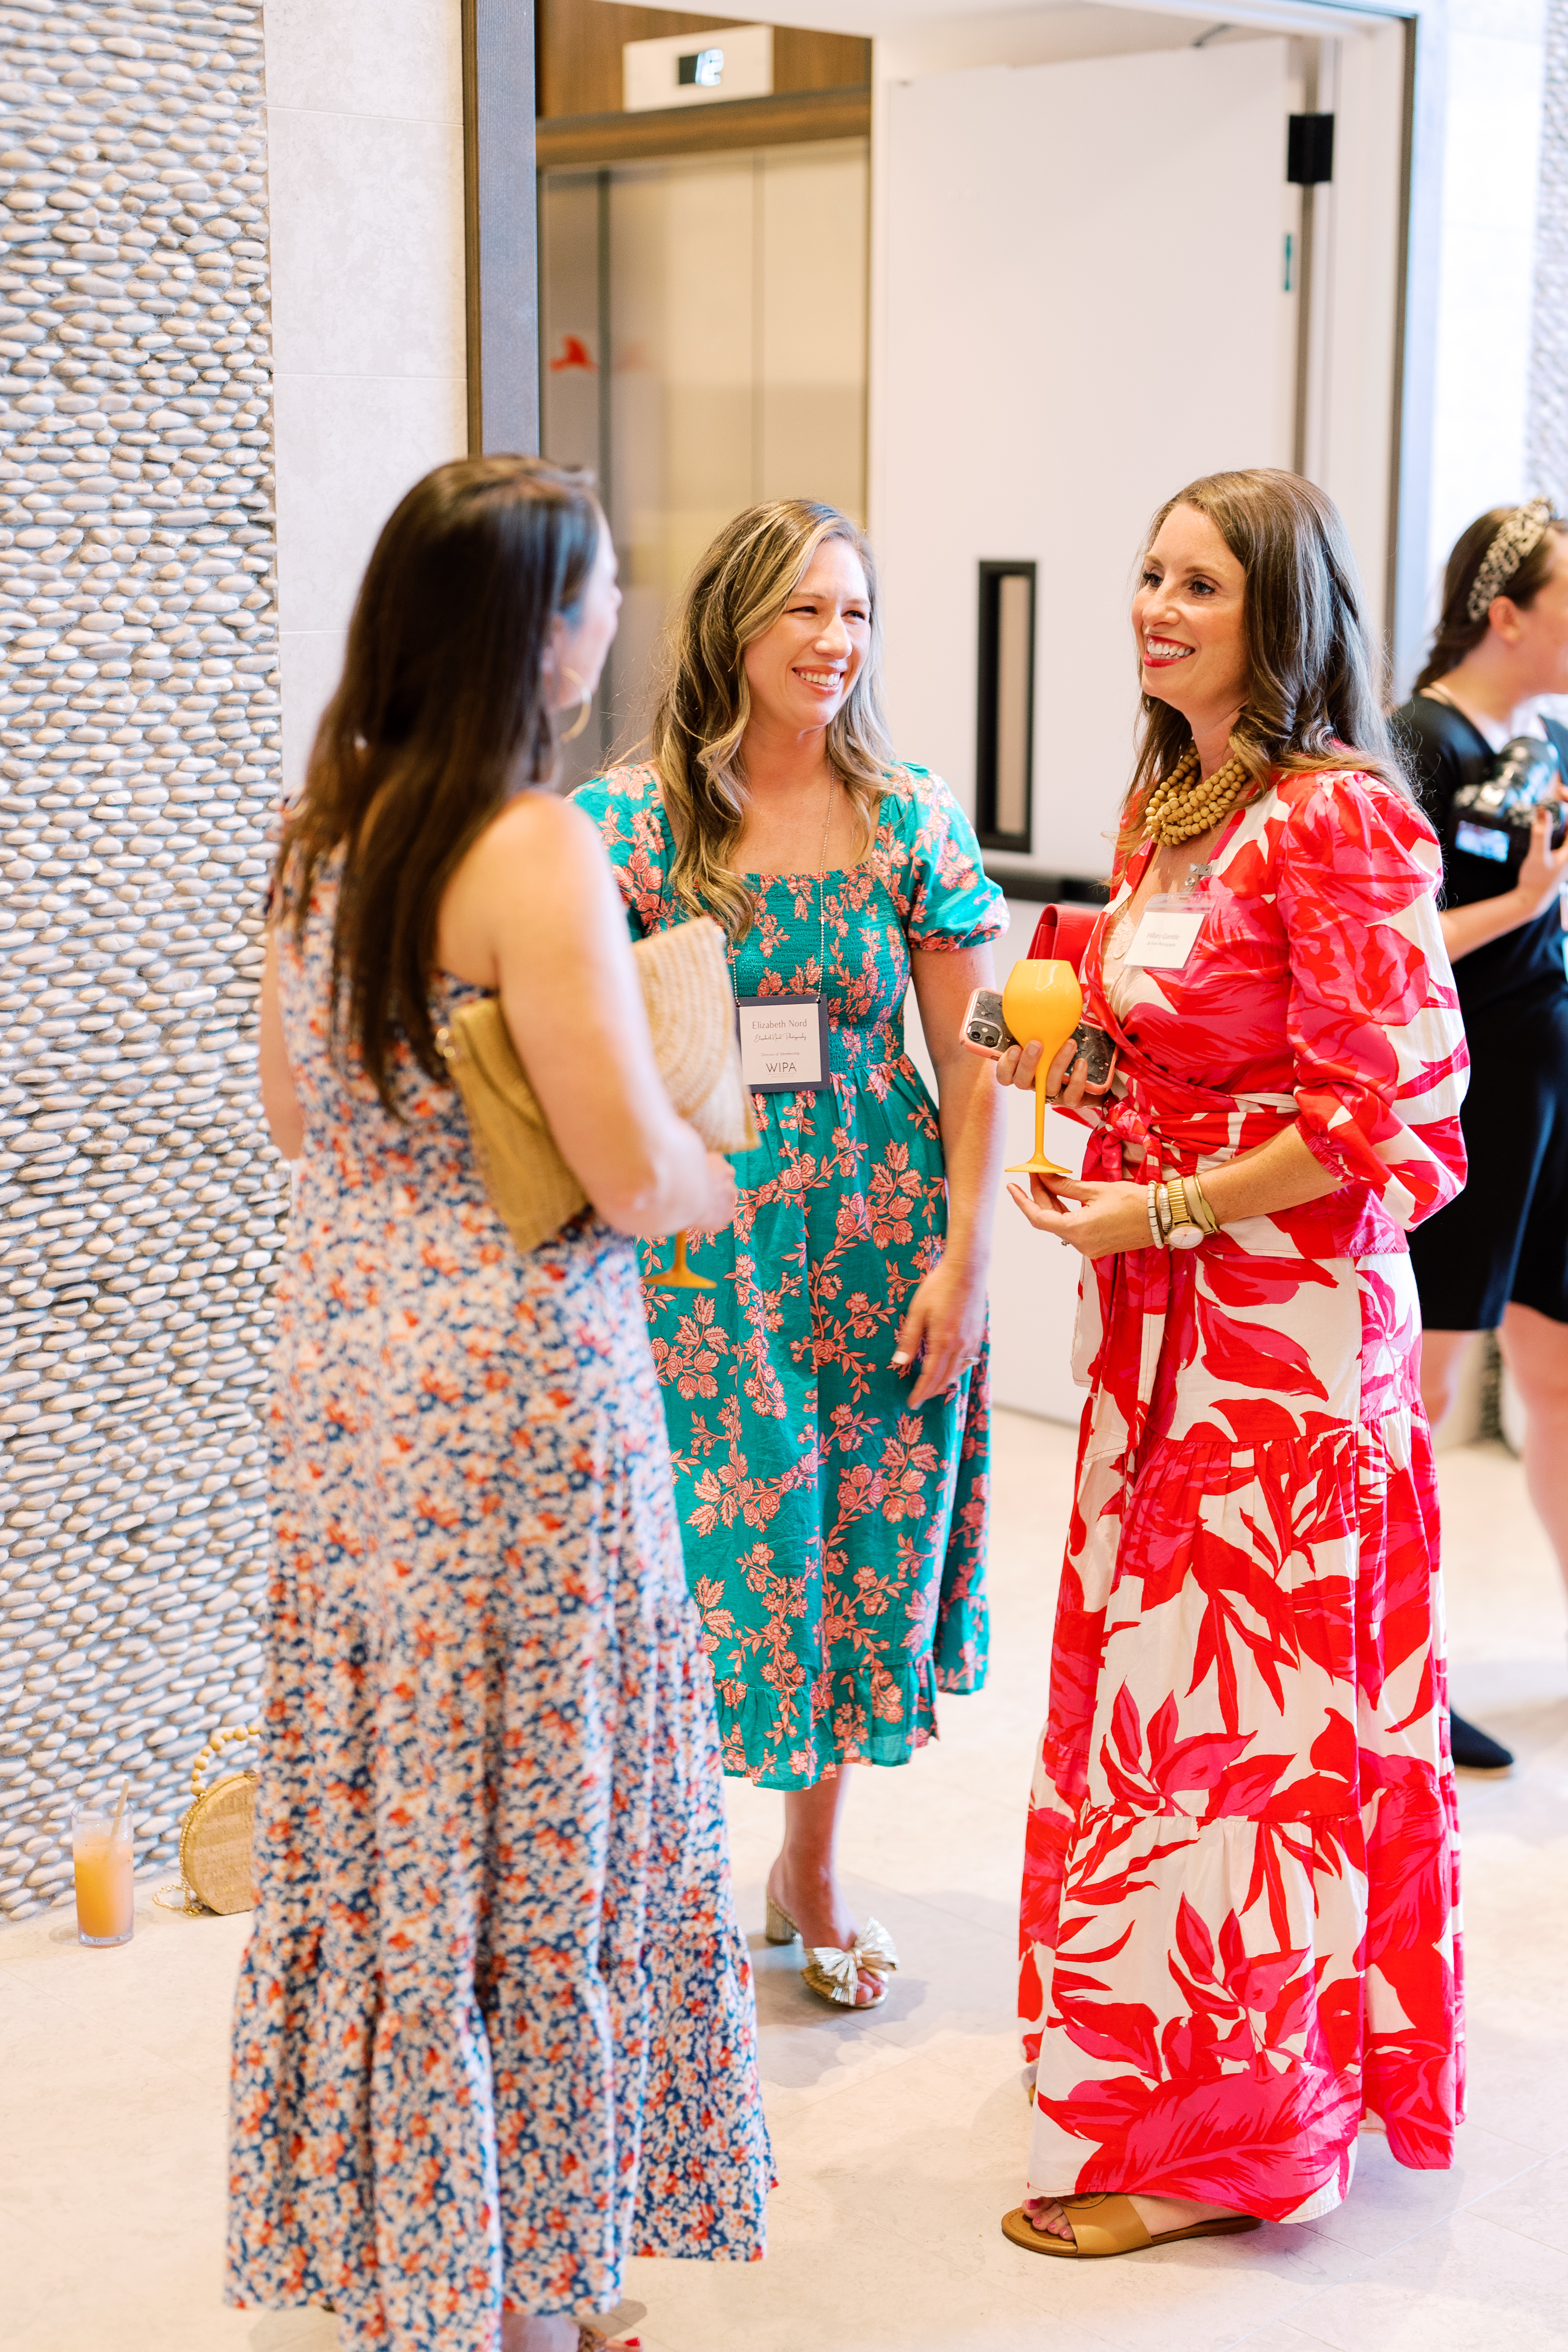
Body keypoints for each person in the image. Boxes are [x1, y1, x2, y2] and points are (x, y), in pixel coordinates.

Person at [229, 455, 772, 2352]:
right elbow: (629, 1173)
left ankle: (419, 2259)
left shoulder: (323, 826)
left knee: (398, 1798)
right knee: (544, 1804)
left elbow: (305, 1120)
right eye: (603, 590)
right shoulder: (530, 845)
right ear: (541, 631)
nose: (617, 618)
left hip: (350, 1357)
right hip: (520, 1377)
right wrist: (729, 1162)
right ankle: (534, 2288)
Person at [998, 469, 1467, 2259]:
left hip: (1280, 1346)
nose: (1154, 606)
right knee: (1154, 1704)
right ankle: (1146, 2070)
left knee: (1244, 1740)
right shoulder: (1175, 805)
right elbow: (1176, 1044)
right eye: (1148, 573)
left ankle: (1234, 2145)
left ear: (1284, 611)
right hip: (1159, 1329)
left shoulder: (1336, 820)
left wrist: (1170, 1207)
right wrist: (1092, 1116)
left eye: (1200, 582)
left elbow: (1386, 1118)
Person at [577, 500, 1005, 2010]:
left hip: (884, 1230)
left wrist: (971, 1256)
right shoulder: (623, 826)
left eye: (856, 614)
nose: (835, 644)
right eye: (804, 612)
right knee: (708, 1553)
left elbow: (972, 1060)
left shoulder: (907, 815)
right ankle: (667, 1871)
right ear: (732, 627)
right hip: (705, 1245)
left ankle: (809, 1868)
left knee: (849, 1555)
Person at [1393, 500, 1568, 1777]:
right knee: (1431, 1397)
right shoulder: (1419, 744)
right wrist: (1517, 904)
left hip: (1549, 1096)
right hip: (1473, 1103)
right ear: (1506, 614)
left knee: (1557, 1375)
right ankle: (1410, 1673)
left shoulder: (1543, 732)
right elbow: (1390, 948)